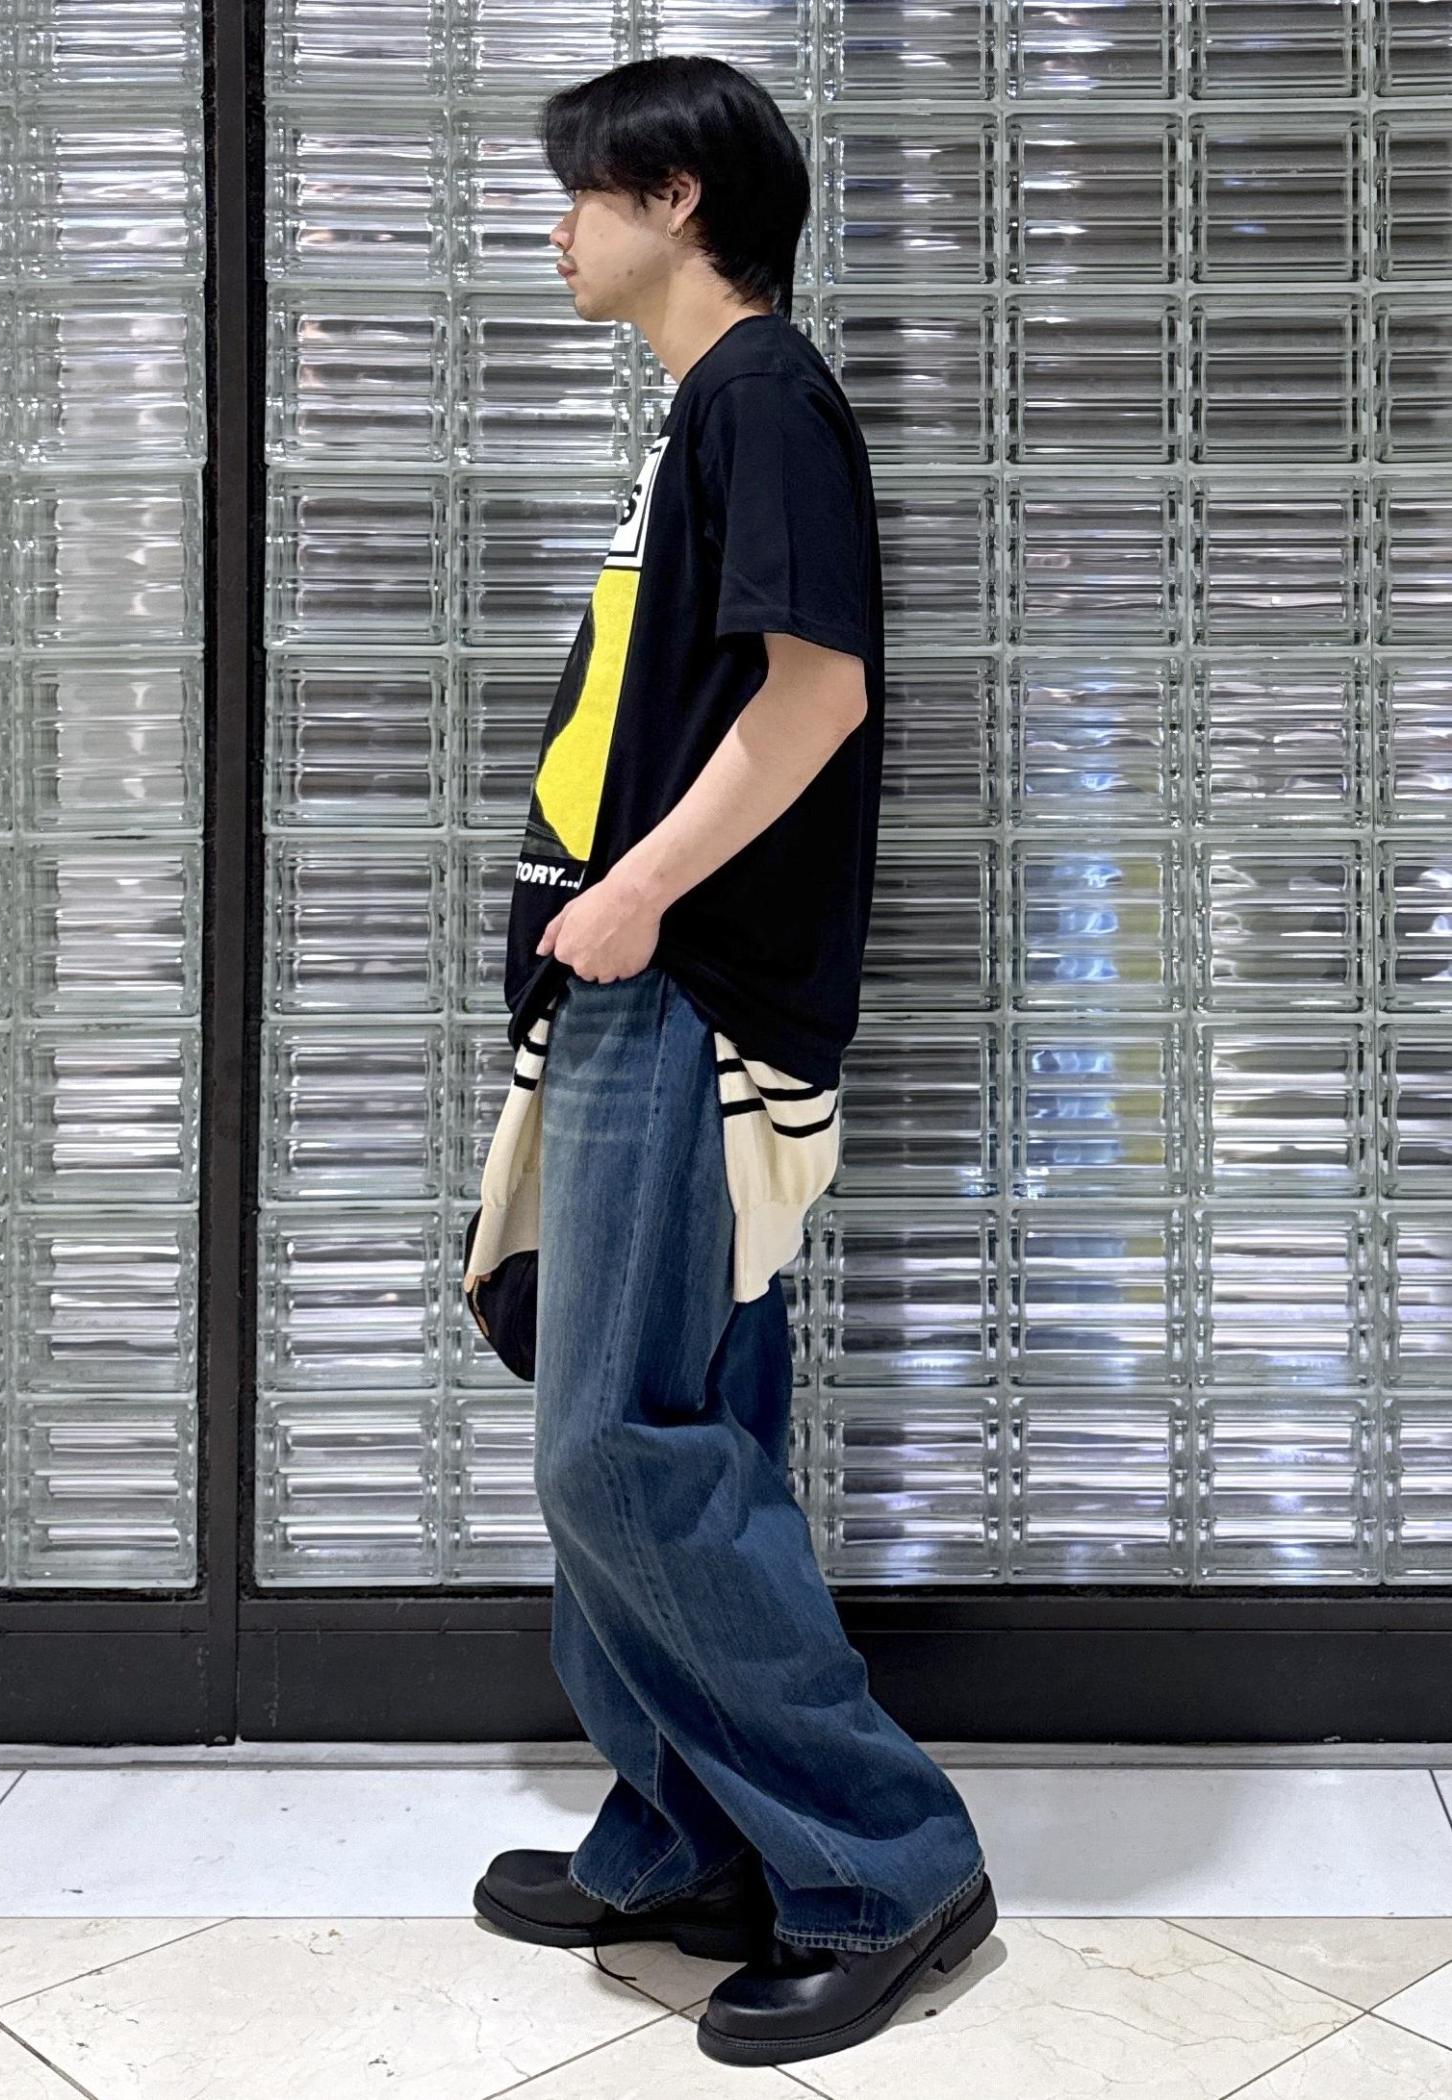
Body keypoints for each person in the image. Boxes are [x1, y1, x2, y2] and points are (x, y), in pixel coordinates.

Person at [468, 52, 994, 2068]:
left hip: (685, 996)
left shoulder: (761, 393)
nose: (558, 229)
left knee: (619, 1442)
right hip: (636, 987)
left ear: (676, 197)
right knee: (668, 1423)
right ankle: (695, 1838)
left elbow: (816, 694)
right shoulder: (707, 409)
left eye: (582, 193)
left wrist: (635, 900)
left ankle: (882, 1864)